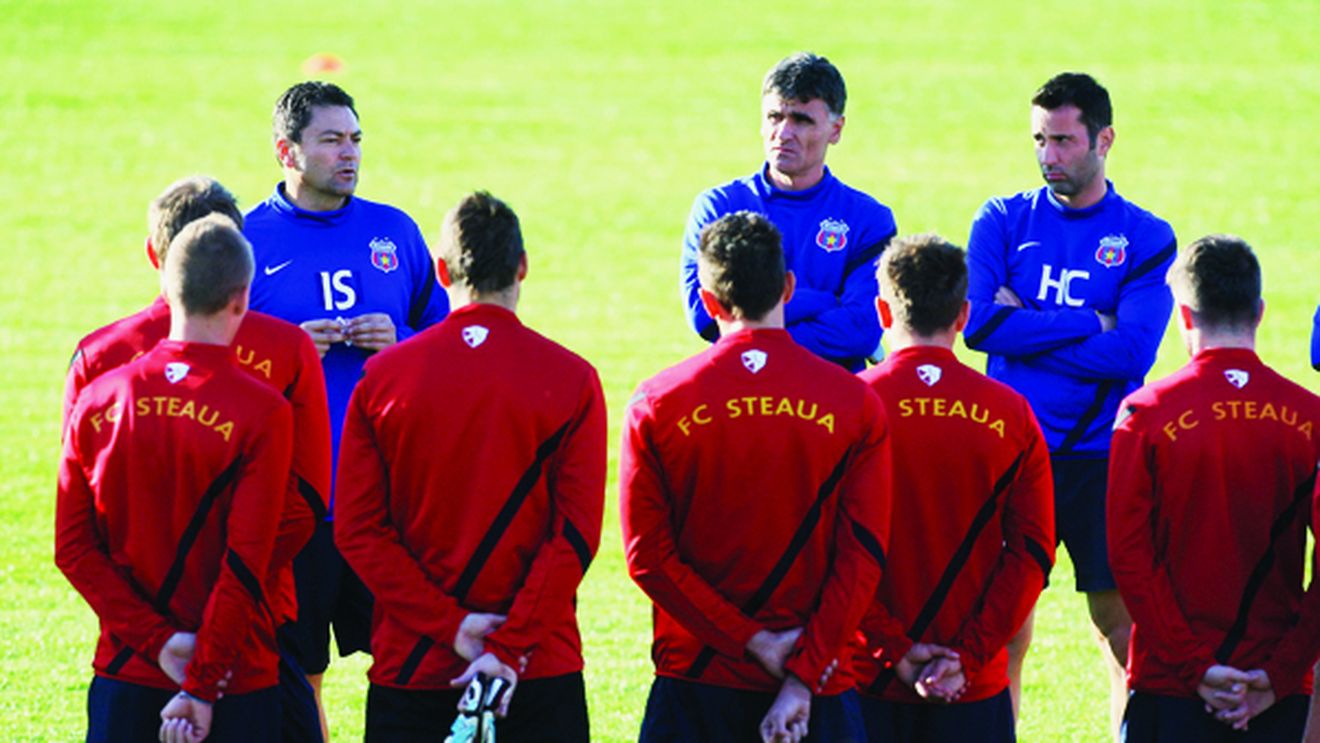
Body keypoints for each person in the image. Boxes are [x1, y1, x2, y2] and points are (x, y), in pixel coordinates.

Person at [61, 176, 330, 741]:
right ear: (243, 269)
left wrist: (155, 633)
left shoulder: (99, 362)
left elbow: (79, 540)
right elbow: (303, 506)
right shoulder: (284, 351)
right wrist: (214, 628)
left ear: (155, 254)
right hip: (248, 639)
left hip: (130, 650)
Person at [334, 191, 606, 742]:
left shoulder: (383, 380)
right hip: (537, 665)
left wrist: (453, 628)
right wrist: (508, 644)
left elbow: (359, 532)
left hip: (415, 667)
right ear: (522, 267)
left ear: (439, 271)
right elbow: (573, 537)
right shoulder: (573, 379)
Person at [623, 210, 892, 742]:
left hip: (697, 677)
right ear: (788, 287)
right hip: (822, 681)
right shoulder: (855, 402)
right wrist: (802, 671)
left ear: (708, 302)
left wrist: (750, 641)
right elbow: (863, 555)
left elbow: (647, 558)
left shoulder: (658, 403)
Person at [963, 71, 1177, 736]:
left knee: (1119, 625)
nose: (1047, 155)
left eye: (1062, 140)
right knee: (1002, 622)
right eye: (1038, 140)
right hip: (1013, 453)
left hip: (1097, 456)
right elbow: (978, 326)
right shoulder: (1001, 219)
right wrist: (1093, 320)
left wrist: (1029, 328)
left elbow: (1132, 355)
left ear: (1103, 140)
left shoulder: (1145, 235)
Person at [244, 80, 449, 731]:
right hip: (294, 504)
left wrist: (403, 342)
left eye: (355, 138)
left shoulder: (394, 231)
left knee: (408, 661)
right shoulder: (246, 241)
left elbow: (448, 346)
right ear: (287, 149)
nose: (349, 153)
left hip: (387, 501)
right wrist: (287, 351)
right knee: (300, 674)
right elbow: (210, 366)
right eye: (331, 140)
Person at [1108, 234, 1320, 742]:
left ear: (1184, 315)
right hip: (1273, 686)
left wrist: (1193, 667)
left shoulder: (1145, 415)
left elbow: (1129, 555)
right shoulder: (1310, 418)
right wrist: (1280, 673)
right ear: (1260, 311)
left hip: (1169, 684)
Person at [856, 234, 1055, 743]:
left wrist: (893, 649)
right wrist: (968, 655)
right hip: (973, 684)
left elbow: (829, 550)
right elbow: (1032, 552)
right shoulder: (1011, 414)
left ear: (882, 311)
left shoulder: (849, 407)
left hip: (863, 680)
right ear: (964, 316)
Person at [680, 52, 897, 371]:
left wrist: (755, 324)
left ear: (836, 129)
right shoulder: (719, 207)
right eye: (774, 117)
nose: (783, 133)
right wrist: (823, 301)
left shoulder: (867, 220)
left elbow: (861, 331)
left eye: (801, 120)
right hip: (743, 397)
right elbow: (705, 317)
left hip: (830, 404)